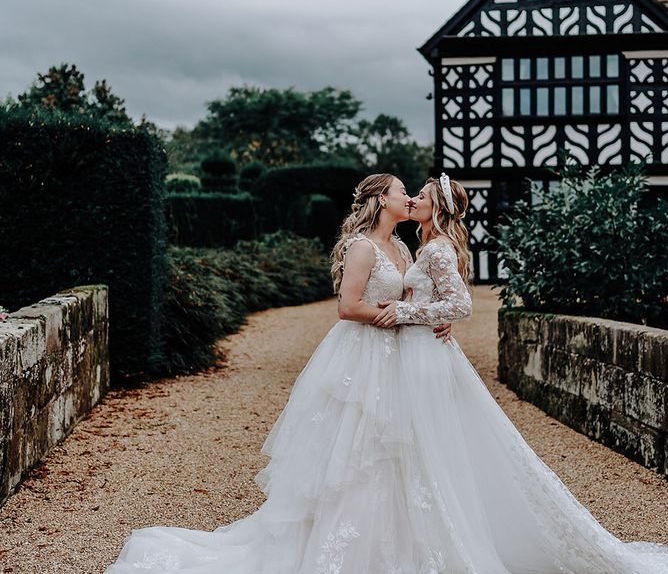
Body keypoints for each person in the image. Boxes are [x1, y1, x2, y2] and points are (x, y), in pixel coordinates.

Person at [368, 172, 668, 574]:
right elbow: (441, 302)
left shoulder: (437, 249)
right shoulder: (427, 246)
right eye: (412, 195)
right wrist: (422, 311)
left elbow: (462, 306)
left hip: (427, 356)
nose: (414, 200)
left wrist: (405, 313)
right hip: (419, 351)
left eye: (421, 196)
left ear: (436, 207)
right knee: (425, 441)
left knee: (434, 440)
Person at [102, 172, 448, 573]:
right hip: (361, 355)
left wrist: (433, 316)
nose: (408, 198)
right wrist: (399, 316)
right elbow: (348, 307)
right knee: (353, 450)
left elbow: (413, 299)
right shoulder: (362, 248)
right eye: (402, 191)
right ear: (380, 200)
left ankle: (388, 546)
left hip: (396, 357)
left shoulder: (403, 249)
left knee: (391, 448)